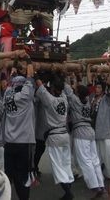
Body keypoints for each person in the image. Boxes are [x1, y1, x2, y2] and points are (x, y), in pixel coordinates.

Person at [35, 71, 74, 200]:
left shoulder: (50, 100)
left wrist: (36, 73)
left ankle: (68, 193)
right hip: (64, 134)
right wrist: (55, 74)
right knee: (66, 164)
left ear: (52, 88)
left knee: (58, 166)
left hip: (55, 136)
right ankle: (68, 190)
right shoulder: (64, 99)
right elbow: (59, 87)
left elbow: (40, 86)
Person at [64, 81, 104, 199]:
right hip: (90, 131)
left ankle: (94, 186)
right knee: (95, 160)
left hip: (81, 132)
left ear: (78, 93)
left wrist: (62, 75)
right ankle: (100, 185)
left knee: (85, 161)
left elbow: (68, 91)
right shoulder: (87, 102)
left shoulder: (76, 101)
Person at [3, 54, 35, 200]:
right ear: (22, 86)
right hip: (23, 143)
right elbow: (30, 75)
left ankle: (7, 196)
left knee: (8, 174)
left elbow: (10, 81)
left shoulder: (7, 96)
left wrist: (15, 63)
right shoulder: (26, 96)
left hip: (9, 143)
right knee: (23, 175)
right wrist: (28, 60)